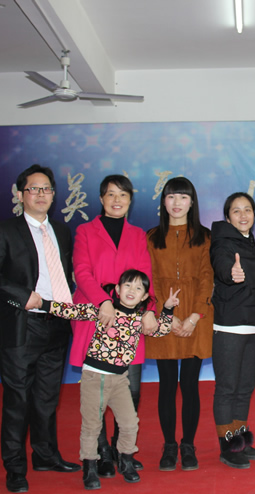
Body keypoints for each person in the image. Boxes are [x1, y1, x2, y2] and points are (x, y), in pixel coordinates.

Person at [0, 164, 81, 494]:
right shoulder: (5, 230)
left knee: (47, 399)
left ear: (54, 194)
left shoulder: (61, 231)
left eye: (46, 189)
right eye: (34, 189)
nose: (41, 194)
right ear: (21, 195)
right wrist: (23, 296)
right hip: (21, 326)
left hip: (57, 324)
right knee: (18, 400)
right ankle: (15, 468)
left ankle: (45, 456)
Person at [42, 270, 178, 488]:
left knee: (130, 423)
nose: (132, 291)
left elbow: (160, 330)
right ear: (117, 289)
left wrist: (168, 309)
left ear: (144, 296)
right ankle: (90, 467)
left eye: (138, 288)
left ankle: (126, 461)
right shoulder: (104, 311)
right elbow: (71, 311)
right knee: (92, 425)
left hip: (120, 380)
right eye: (127, 285)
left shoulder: (139, 319)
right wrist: (43, 303)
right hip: (94, 377)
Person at [71, 175, 157, 476]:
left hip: (130, 322)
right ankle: (102, 453)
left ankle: (123, 451)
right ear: (101, 198)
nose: (117, 200)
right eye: (111, 194)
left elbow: (145, 276)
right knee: (97, 394)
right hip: (96, 317)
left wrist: (149, 309)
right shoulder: (85, 231)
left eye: (123, 195)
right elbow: (81, 271)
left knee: (130, 391)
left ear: (130, 200)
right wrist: (103, 302)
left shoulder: (138, 235)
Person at [144, 177, 214, 471]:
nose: (177, 203)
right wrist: (166, 315)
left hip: (196, 318)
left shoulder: (205, 236)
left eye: (183, 197)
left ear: (192, 202)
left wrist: (195, 316)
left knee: (190, 385)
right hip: (164, 317)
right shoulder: (151, 237)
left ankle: (188, 445)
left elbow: (207, 277)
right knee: (167, 385)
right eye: (171, 196)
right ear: (163, 201)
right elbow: (150, 278)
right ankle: (169, 445)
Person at [210, 192, 255, 469]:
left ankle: (240, 440)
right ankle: (227, 446)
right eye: (236, 211)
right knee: (227, 388)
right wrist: (231, 273)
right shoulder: (222, 241)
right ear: (227, 217)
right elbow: (222, 265)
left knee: (245, 388)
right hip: (229, 327)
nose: (243, 215)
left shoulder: (250, 242)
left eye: (248, 210)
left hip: (253, 327)